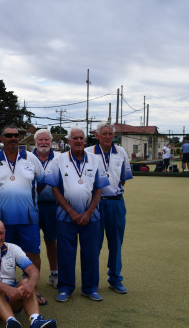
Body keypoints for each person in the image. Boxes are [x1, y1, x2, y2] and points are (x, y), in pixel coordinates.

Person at [0, 125, 47, 306]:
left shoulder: (32, 158)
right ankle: (4, 289)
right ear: (1, 138)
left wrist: (25, 197)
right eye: (9, 135)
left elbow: (41, 182)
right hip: (1, 221)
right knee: (2, 254)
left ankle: (33, 289)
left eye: (16, 135)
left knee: (32, 254)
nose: (13, 138)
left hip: (28, 218)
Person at [46, 127, 109, 302]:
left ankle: (90, 288)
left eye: (81, 138)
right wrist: (72, 212)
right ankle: (65, 288)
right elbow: (55, 189)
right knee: (66, 254)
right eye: (75, 138)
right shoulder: (58, 160)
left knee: (91, 253)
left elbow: (99, 189)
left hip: (91, 216)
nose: (79, 141)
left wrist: (88, 213)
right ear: (69, 141)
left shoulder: (95, 160)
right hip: (65, 216)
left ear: (85, 140)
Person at [85, 121, 133, 294]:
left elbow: (123, 179)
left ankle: (115, 278)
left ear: (114, 135)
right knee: (93, 244)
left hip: (115, 202)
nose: (107, 137)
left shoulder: (121, 152)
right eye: (103, 133)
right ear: (96, 135)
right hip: (94, 204)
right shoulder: (88, 152)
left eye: (110, 134)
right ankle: (91, 282)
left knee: (116, 243)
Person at [32, 129, 59, 288]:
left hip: (51, 206)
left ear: (51, 141)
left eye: (46, 140)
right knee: (31, 242)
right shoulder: (27, 157)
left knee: (51, 241)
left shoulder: (59, 158)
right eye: (40, 140)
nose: (43, 143)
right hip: (31, 206)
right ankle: (29, 274)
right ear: (35, 142)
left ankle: (54, 273)